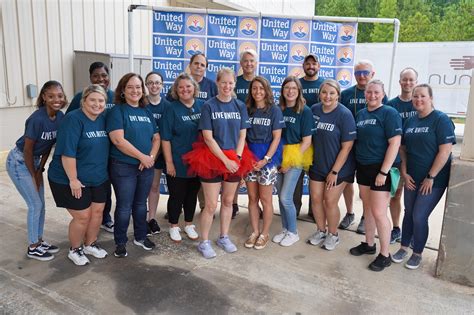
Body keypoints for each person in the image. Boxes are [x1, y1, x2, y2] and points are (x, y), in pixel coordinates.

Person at [183, 67, 254, 259]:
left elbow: (242, 135)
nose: (227, 86)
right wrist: (225, 160)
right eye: (224, 82)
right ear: (217, 83)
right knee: (211, 204)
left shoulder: (240, 106)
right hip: (211, 157)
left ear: (234, 84)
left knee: (229, 201)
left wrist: (237, 159)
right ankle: (204, 242)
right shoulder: (209, 106)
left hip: (235, 157)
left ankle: (224, 236)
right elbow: (207, 137)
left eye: (231, 83)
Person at [391, 84, 455, 270]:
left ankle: (417, 252)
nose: (418, 100)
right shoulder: (411, 121)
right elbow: (403, 149)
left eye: (422, 96)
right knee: (408, 213)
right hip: (412, 177)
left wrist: (431, 176)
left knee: (419, 216)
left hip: (433, 181)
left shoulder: (441, 120)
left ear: (431, 98)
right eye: (415, 97)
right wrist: (404, 171)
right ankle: (403, 247)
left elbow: (445, 151)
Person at [48, 85, 110, 265]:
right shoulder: (73, 120)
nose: (97, 104)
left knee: (97, 212)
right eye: (92, 100)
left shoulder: (103, 118)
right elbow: (68, 153)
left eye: (101, 101)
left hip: (97, 176)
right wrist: (73, 180)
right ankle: (75, 249)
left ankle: (90, 244)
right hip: (68, 177)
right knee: (82, 216)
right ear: (83, 101)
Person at [6, 80, 66, 261]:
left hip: (36, 162)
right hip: (20, 162)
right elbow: (28, 150)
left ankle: (39, 240)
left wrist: (41, 169)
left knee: (41, 204)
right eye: (51, 96)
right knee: (35, 204)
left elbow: (48, 145)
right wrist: (33, 174)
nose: (56, 99)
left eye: (60, 96)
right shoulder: (36, 119)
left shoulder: (60, 117)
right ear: (44, 98)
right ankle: (33, 247)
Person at [349, 79, 401, 272]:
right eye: (369, 92)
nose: (372, 95)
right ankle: (369, 244)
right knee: (368, 208)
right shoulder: (361, 114)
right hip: (363, 168)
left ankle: (385, 254)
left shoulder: (389, 113)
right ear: (365, 94)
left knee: (379, 212)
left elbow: (395, 143)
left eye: (376, 92)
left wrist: (383, 171)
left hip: (381, 169)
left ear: (383, 93)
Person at [106, 73, 160, 258]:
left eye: (138, 87)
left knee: (140, 204)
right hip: (123, 166)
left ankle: (140, 236)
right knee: (124, 206)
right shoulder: (117, 111)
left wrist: (150, 157)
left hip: (146, 166)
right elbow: (118, 140)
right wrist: (142, 157)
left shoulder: (146, 111)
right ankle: (120, 242)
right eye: (130, 87)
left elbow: (157, 138)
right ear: (122, 90)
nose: (135, 90)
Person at [339, 60, 388, 234]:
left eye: (365, 72)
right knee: (346, 182)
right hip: (348, 145)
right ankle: (350, 212)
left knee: (364, 189)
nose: (362, 76)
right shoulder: (346, 94)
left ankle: (364, 218)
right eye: (358, 73)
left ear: (372, 74)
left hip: (368, 150)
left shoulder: (380, 94)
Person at [66, 61, 115, 234]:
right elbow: (70, 120)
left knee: (104, 187)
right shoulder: (81, 96)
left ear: (109, 77)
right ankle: (86, 219)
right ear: (90, 78)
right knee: (90, 186)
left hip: (109, 150)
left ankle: (105, 218)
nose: (100, 79)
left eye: (104, 75)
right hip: (88, 150)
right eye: (96, 75)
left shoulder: (115, 97)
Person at [307, 79, 356, 251]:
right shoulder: (313, 110)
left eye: (331, 93)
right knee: (316, 200)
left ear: (338, 95)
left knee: (329, 201)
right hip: (317, 166)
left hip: (339, 168)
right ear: (319, 94)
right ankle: (321, 231)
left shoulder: (344, 114)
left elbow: (347, 146)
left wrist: (335, 171)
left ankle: (333, 234)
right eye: (324, 92)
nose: (327, 96)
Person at [161, 73, 204, 242]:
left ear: (194, 88)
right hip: (178, 160)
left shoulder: (203, 106)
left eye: (188, 86)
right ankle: (173, 225)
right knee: (176, 195)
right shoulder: (171, 108)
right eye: (181, 87)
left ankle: (188, 224)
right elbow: (165, 138)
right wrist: (169, 162)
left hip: (198, 161)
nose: (185, 90)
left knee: (192, 194)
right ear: (176, 90)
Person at [273, 76, 314, 247]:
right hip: (279, 153)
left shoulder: (305, 111)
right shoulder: (278, 109)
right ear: (282, 91)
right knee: (280, 195)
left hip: (296, 154)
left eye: (294, 88)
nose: (290, 91)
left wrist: (290, 162)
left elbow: (307, 141)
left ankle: (293, 232)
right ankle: (285, 228)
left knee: (285, 197)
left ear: (299, 91)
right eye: (287, 88)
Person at [244, 76, 285, 250]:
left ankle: (265, 233)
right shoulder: (247, 109)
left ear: (266, 90)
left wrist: (266, 159)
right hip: (250, 158)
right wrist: (248, 157)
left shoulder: (274, 110)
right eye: (254, 88)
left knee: (265, 199)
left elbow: (277, 137)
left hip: (267, 158)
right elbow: (242, 135)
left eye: (261, 88)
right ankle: (254, 231)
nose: (257, 92)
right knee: (252, 198)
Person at [386, 67, 418, 244]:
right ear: (399, 82)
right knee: (396, 195)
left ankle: (411, 231)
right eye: (404, 79)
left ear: (416, 82)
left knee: (413, 199)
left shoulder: (421, 102)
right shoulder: (391, 105)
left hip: (417, 161)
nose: (407, 83)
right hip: (397, 161)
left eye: (411, 80)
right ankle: (396, 228)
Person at [296, 53, 326, 218]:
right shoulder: (297, 84)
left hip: (320, 137)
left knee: (316, 177)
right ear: (303, 66)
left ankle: (315, 211)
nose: (311, 66)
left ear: (319, 66)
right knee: (297, 175)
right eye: (308, 64)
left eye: (314, 64)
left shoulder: (324, 84)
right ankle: (294, 210)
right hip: (300, 137)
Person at [233, 49, 259, 218]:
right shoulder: (235, 82)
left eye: (252, 61)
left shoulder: (260, 83)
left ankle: (257, 204)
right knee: (236, 167)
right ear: (241, 64)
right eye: (246, 61)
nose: (249, 64)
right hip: (236, 130)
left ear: (256, 64)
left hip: (256, 130)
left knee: (255, 167)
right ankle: (233, 203)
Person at [145, 71, 170, 235]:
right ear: (146, 85)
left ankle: (151, 219)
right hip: (141, 154)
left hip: (160, 154)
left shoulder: (167, 106)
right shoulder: (141, 104)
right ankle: (141, 217)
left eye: (157, 83)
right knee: (140, 189)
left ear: (162, 85)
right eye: (151, 83)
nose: (154, 86)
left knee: (154, 187)